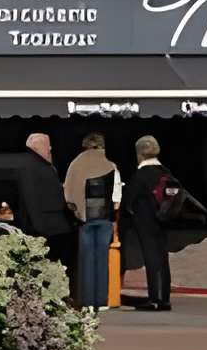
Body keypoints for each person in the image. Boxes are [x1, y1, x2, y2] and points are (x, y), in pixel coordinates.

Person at [63, 130, 119, 309]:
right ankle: (101, 301)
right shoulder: (111, 165)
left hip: (84, 219)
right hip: (105, 218)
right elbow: (117, 195)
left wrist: (76, 212)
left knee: (86, 261)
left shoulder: (75, 164)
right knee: (102, 261)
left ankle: (87, 301)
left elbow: (68, 193)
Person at [122, 134, 174, 312]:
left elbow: (128, 201)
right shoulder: (166, 172)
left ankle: (155, 299)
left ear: (139, 153)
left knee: (151, 258)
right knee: (163, 258)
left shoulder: (140, 175)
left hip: (146, 223)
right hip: (164, 221)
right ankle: (164, 298)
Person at [19, 131, 77, 285]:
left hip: (53, 228)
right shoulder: (30, 166)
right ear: (37, 147)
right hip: (48, 229)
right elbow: (31, 199)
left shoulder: (40, 164)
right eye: (47, 146)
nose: (50, 149)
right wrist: (39, 229)